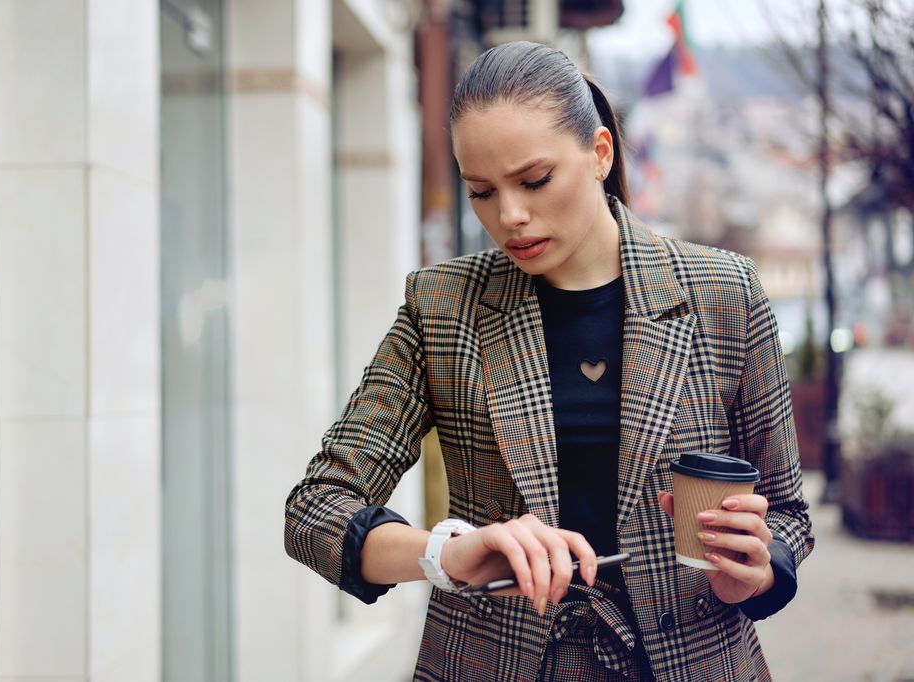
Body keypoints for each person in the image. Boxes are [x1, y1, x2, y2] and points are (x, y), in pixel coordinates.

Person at [285, 41, 814, 681]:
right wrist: (447, 554)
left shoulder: (724, 295)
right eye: (481, 191)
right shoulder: (442, 306)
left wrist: (755, 575)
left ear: (599, 153)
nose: (509, 216)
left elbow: (787, 511)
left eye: (534, 181)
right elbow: (317, 507)